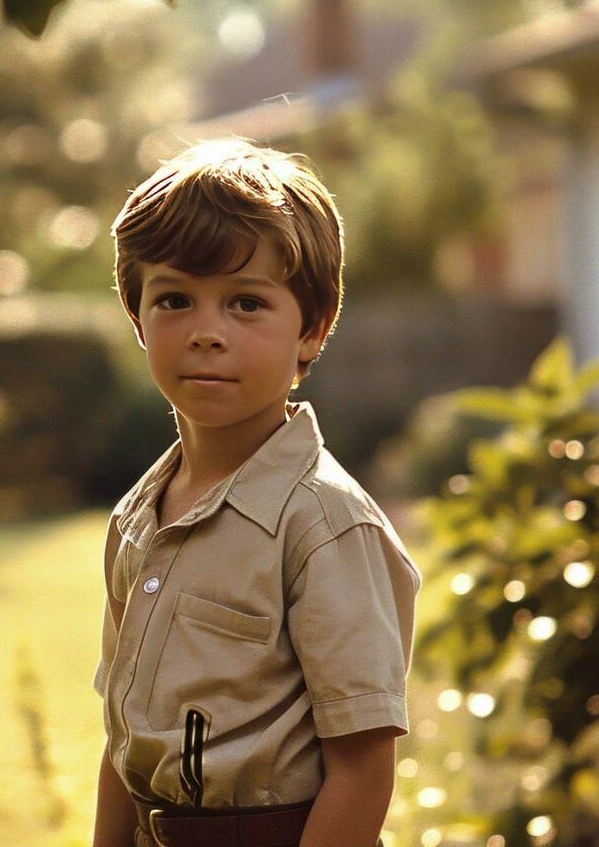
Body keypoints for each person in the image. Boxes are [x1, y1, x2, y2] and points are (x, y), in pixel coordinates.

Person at [91, 138, 422, 847]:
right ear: (138, 319)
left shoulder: (325, 526)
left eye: (246, 303)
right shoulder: (136, 520)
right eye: (175, 299)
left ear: (312, 331)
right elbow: (122, 747)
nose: (207, 333)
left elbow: (364, 774)